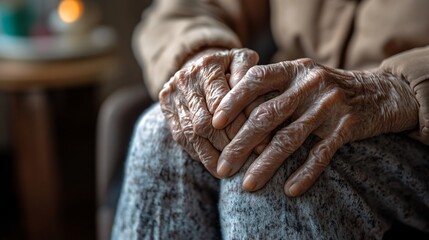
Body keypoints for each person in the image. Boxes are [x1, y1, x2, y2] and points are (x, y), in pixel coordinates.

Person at [112, 0, 429, 239]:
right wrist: (207, 66)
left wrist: (398, 90)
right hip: (302, 95)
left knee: (280, 162)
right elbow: (186, 8)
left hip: (413, 128)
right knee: (166, 132)